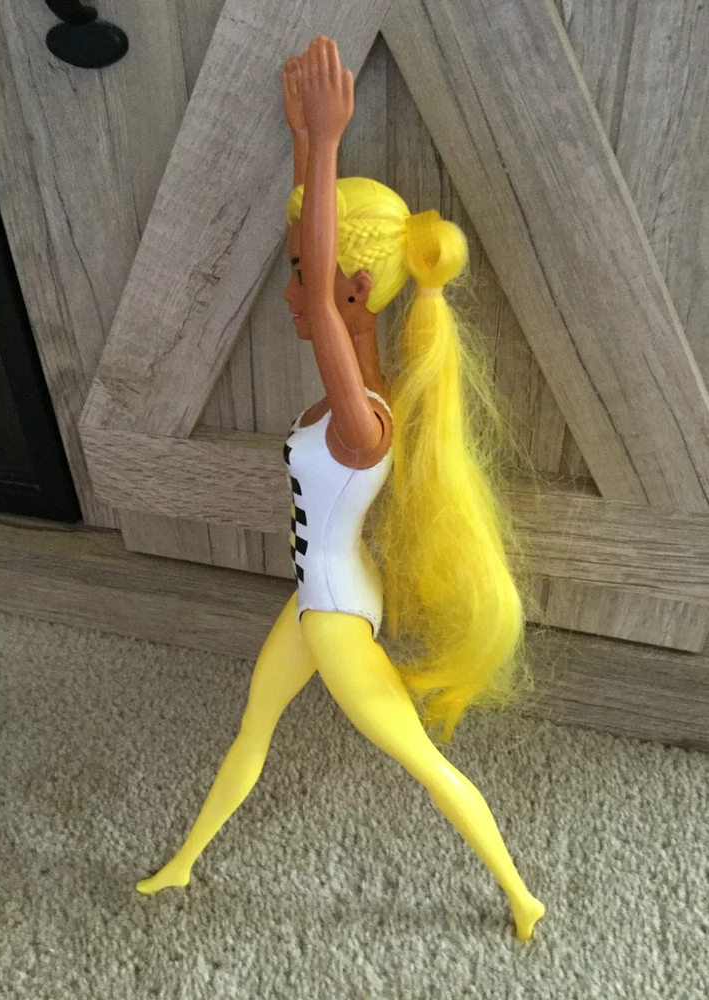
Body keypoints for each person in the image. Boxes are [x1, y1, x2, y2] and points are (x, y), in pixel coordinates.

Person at [136, 35, 545, 941]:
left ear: (350, 288)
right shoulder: (362, 373)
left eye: (301, 275)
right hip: (321, 595)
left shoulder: (362, 422)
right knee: (254, 726)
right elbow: (327, 289)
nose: (292, 293)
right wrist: (301, 146)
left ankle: (522, 895)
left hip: (335, 615)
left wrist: (324, 143)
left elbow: (321, 292)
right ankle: (185, 861)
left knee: (423, 764)